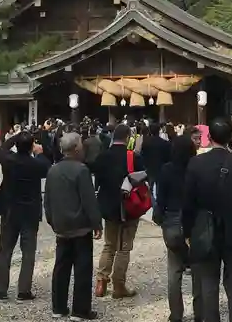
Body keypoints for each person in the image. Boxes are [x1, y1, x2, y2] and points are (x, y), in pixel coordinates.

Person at [182, 118, 232, 322]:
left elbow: (188, 202)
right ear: (231, 138)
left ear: (209, 137)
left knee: (208, 284)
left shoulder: (196, 164)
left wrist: (188, 231)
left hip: (205, 229)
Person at [45, 132, 102, 321]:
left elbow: (47, 199)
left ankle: (59, 307)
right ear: (77, 148)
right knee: (82, 267)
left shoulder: (53, 170)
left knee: (61, 267)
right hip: (80, 226)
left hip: (61, 225)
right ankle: (80, 309)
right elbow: (88, 199)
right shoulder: (81, 170)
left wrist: (52, 220)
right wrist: (96, 222)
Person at [0, 131, 51, 302]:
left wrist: (16, 137)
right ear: (32, 146)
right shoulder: (36, 164)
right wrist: (38, 151)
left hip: (10, 209)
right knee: (28, 252)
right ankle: (23, 290)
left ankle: (1, 290)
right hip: (29, 210)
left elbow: (2, 148)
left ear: (17, 145)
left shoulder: (9, 160)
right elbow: (47, 164)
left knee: (5, 250)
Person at [155, 135, 203, 322]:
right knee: (198, 270)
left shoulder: (166, 169)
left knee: (174, 272)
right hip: (195, 221)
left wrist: (161, 219)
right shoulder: (197, 168)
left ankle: (176, 314)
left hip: (172, 221)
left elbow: (161, 200)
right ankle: (200, 313)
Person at [93, 124, 143, 299]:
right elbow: (141, 179)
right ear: (129, 137)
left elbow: (97, 181)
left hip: (108, 205)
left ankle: (101, 281)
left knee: (109, 245)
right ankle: (118, 285)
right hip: (128, 205)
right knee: (124, 247)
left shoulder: (102, 156)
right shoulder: (133, 157)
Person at [140, 122, 172, 203]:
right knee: (159, 190)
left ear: (150, 131)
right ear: (159, 130)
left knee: (150, 189)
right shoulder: (165, 143)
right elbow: (168, 157)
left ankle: (152, 204)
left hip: (150, 168)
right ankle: (159, 204)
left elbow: (142, 155)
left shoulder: (146, 143)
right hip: (161, 168)